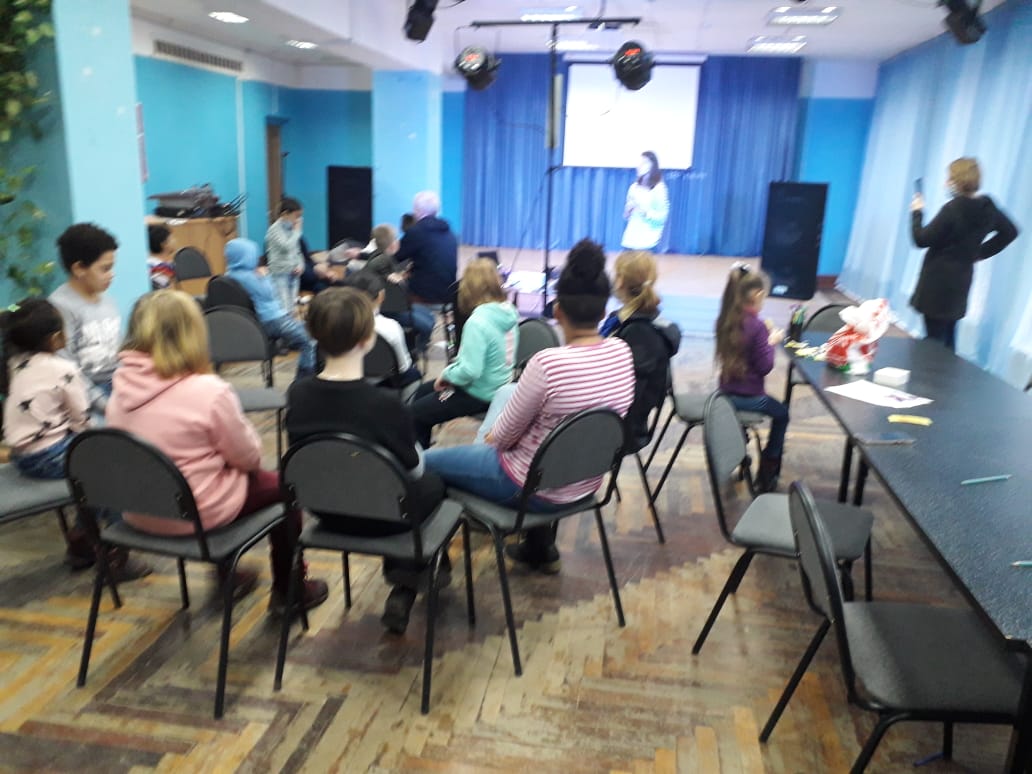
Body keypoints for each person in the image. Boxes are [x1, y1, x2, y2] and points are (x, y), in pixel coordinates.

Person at [105, 290, 328, 611]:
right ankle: (290, 590)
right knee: (286, 487)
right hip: (194, 516)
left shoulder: (120, 387)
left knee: (210, 471)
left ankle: (231, 575)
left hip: (138, 511)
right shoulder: (209, 392)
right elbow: (249, 458)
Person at [425, 239, 635, 573]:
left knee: (424, 464)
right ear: (602, 311)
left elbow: (503, 439)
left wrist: (492, 436)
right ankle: (539, 547)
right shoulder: (623, 353)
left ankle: (429, 569)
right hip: (585, 481)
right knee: (527, 421)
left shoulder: (548, 364)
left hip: (527, 488)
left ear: (557, 311)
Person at [285, 287, 446, 634]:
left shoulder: (297, 395)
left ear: (314, 335)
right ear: (368, 339)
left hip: (325, 510)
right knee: (434, 483)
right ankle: (409, 582)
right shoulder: (386, 405)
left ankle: (413, 577)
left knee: (387, 488)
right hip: (387, 518)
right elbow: (413, 469)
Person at [0, 298, 150, 578]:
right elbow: (82, 422)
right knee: (114, 470)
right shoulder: (63, 370)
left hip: (22, 456)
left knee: (91, 471)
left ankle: (82, 538)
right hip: (49, 455)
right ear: (55, 338)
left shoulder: (15, 363)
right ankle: (117, 554)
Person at [909, 157, 1019, 352]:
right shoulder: (988, 207)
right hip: (961, 281)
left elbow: (921, 239)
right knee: (949, 338)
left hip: (937, 283)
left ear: (956, 181)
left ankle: (932, 372)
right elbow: (1010, 232)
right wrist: (978, 253)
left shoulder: (952, 209)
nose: (946, 182)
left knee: (933, 344)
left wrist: (917, 213)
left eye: (949, 177)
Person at [409, 258, 519, 449]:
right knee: (423, 391)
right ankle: (422, 445)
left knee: (415, 414)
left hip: (477, 394)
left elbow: (469, 371)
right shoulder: (508, 312)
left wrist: (445, 375)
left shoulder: (477, 321)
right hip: (498, 386)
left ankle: (420, 460)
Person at [714, 264, 787, 493]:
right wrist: (771, 342)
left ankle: (738, 445)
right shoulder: (758, 327)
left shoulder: (724, 320)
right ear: (757, 295)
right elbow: (765, 367)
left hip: (724, 394)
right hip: (750, 397)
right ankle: (769, 465)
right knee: (782, 414)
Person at [600, 251, 680, 452]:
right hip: (611, 413)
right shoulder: (625, 319)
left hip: (622, 428)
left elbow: (631, 398)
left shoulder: (640, 333)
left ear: (619, 281)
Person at [49, 223, 122, 413]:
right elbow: (66, 366)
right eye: (105, 269)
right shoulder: (60, 306)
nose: (111, 275)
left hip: (117, 386)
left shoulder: (108, 301)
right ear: (79, 269)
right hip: (84, 395)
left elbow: (118, 352)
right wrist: (102, 403)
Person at [224, 237, 317, 380]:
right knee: (309, 341)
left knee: (303, 329)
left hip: (254, 323)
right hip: (273, 320)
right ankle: (303, 380)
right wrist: (266, 277)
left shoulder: (229, 276)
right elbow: (270, 294)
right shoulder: (250, 278)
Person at [342, 271, 422, 390]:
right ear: (381, 296)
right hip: (382, 386)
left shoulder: (329, 325)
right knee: (413, 373)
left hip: (343, 383)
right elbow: (403, 367)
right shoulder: (390, 327)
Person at [395, 191, 458, 305]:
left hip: (425, 296)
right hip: (449, 294)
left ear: (416, 210)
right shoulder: (449, 232)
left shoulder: (416, 232)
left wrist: (367, 254)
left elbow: (395, 258)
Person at [621, 151, 670, 251]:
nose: (639, 166)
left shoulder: (659, 189)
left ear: (652, 166)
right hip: (629, 240)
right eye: (639, 162)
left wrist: (644, 212)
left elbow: (662, 217)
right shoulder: (633, 187)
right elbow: (626, 216)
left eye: (643, 163)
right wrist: (628, 211)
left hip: (647, 241)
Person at [265, 197, 305, 314]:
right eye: (296, 216)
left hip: (293, 273)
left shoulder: (292, 229)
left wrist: (300, 265)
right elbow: (286, 246)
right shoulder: (274, 229)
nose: (298, 220)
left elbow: (297, 251)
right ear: (285, 214)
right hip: (280, 273)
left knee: (292, 307)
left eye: (300, 216)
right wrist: (297, 232)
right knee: (284, 308)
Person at [146, 224, 176, 290]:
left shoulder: (147, 263)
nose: (175, 241)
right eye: (172, 239)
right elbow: (170, 293)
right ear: (164, 244)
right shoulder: (163, 268)